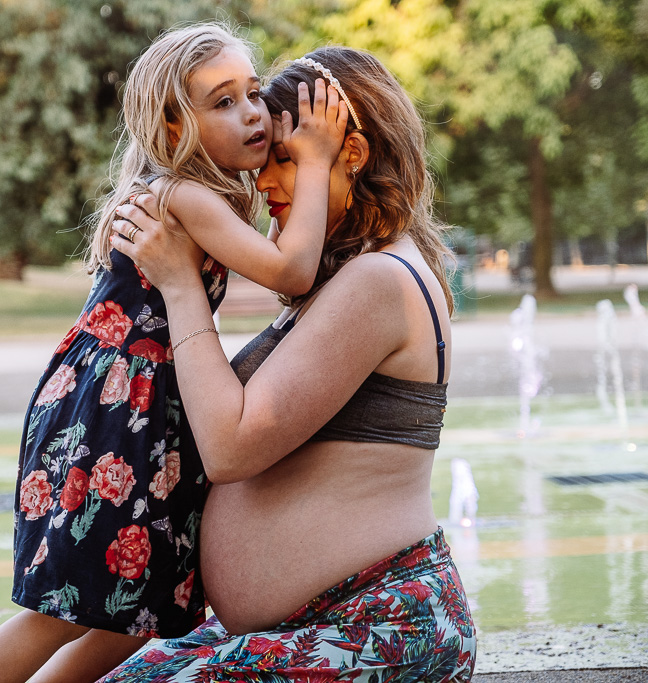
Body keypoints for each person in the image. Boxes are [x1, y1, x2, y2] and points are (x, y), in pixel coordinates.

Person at [0, 23, 349, 683]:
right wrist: (313, 158)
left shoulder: (202, 192)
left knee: (144, 606)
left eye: (252, 93)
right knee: (66, 605)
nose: (253, 112)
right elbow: (292, 270)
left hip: (144, 407)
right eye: (222, 101)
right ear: (173, 131)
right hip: (119, 410)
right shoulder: (185, 195)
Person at [102, 46, 477, 682]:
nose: (265, 184)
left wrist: (181, 286)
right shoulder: (351, 277)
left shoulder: (380, 280)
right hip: (319, 623)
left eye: (286, 161)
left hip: (372, 628)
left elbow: (230, 447)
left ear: (349, 156)